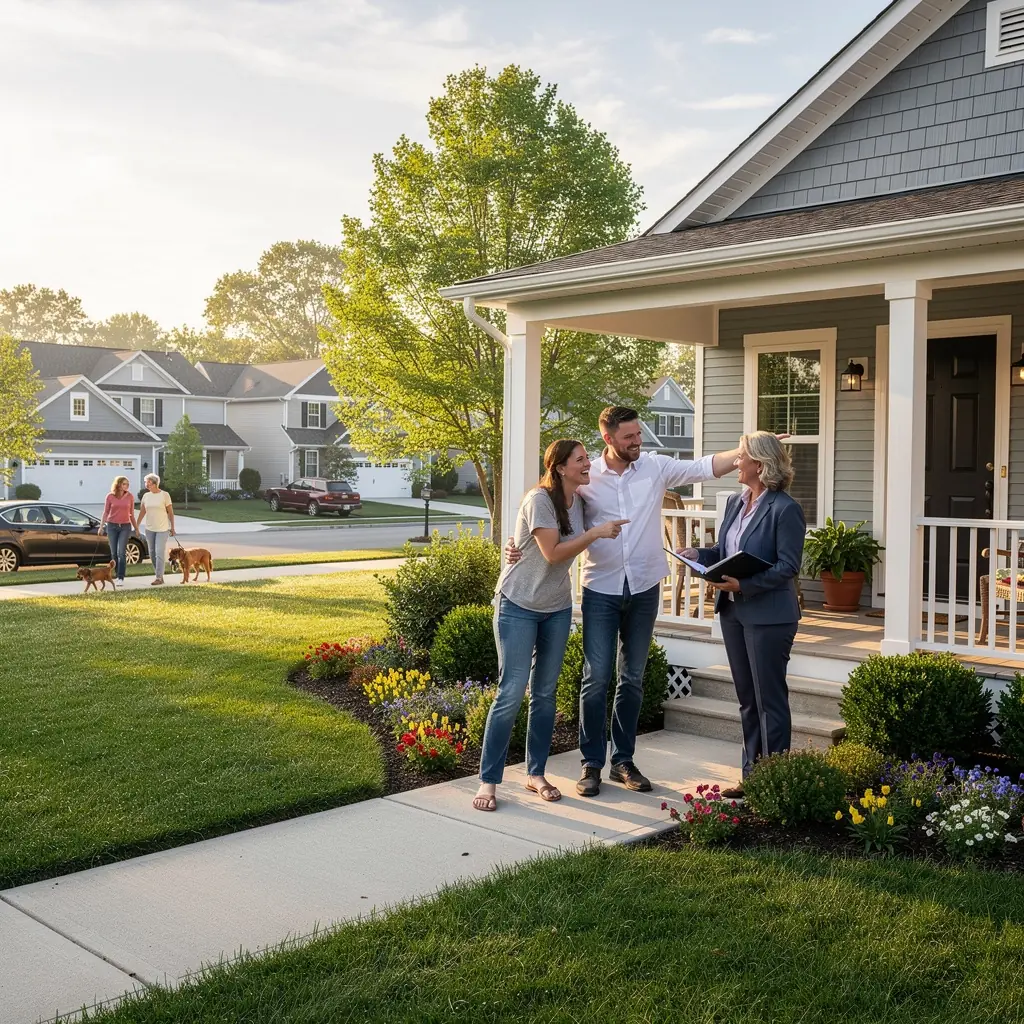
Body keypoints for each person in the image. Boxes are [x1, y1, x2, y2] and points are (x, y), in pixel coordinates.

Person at [506, 406, 746, 798]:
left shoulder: (655, 467)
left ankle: (623, 762)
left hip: (645, 586)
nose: (638, 442)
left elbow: (704, 467)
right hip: (600, 588)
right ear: (609, 439)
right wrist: (515, 546)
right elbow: (545, 503)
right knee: (596, 678)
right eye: (629, 437)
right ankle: (591, 763)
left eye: (639, 435)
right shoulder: (586, 476)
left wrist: (746, 452)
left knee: (632, 677)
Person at [472, 439, 629, 812]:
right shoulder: (539, 500)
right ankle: (488, 781)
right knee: (511, 692)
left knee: (545, 694)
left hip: (557, 607)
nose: (587, 463)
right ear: (560, 467)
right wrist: (593, 534)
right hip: (519, 604)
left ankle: (535, 773)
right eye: (579, 460)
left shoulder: (582, 499)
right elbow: (552, 552)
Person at [678, 431, 804, 798]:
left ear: (760, 465)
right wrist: (699, 555)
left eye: (742, 456)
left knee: (770, 701)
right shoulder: (735, 501)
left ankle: (774, 784)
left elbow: (788, 566)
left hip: (769, 616)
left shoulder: (785, 508)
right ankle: (751, 778)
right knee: (748, 699)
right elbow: (724, 549)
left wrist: (744, 586)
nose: (736, 461)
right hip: (732, 613)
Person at [98, 475, 138, 585]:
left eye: (128, 484)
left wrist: (137, 528)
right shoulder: (110, 496)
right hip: (111, 526)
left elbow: (132, 514)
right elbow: (105, 512)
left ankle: (121, 577)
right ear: (119, 484)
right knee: (114, 553)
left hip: (125, 527)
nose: (127, 486)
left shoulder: (130, 496)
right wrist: (101, 527)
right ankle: (116, 575)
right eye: (124, 484)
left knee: (121, 553)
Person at [139, 473, 176, 586]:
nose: (147, 484)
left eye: (148, 482)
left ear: (155, 483)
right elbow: (142, 512)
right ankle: (159, 575)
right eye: (146, 482)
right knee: (152, 553)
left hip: (162, 528)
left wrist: (172, 527)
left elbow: (170, 512)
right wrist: (136, 525)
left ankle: (158, 577)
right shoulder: (146, 496)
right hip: (149, 529)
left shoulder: (165, 495)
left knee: (159, 553)